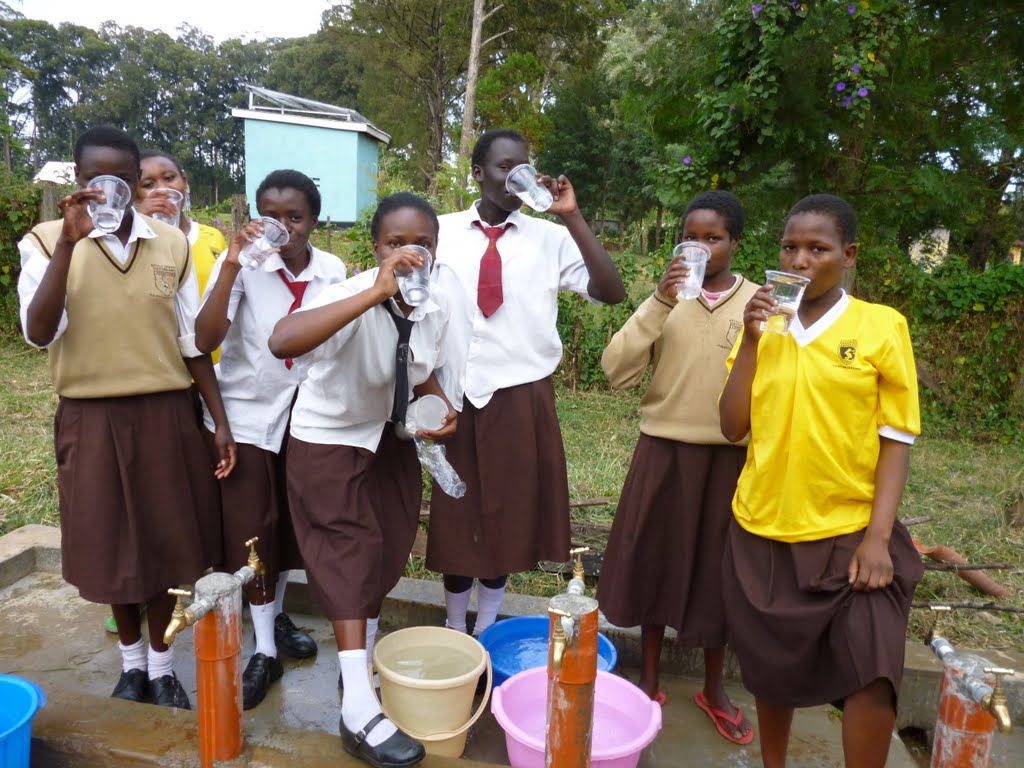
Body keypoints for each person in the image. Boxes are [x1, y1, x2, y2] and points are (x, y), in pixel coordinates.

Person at [16, 125, 236, 709]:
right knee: (112, 543)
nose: (104, 189)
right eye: (93, 179)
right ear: (79, 181)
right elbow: (39, 332)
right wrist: (69, 242)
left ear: (133, 182)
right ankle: (131, 665)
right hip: (90, 416)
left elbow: (192, 342)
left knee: (167, 541)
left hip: (165, 413)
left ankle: (163, 666)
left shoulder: (171, 244)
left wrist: (219, 422)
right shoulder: (42, 242)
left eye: (118, 178)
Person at [718, 194, 924, 768]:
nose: (801, 259)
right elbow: (733, 425)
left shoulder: (881, 327)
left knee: (873, 674)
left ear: (848, 255)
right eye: (790, 247)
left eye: (818, 248)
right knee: (771, 671)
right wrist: (753, 339)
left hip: (850, 532)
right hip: (763, 526)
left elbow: (896, 440)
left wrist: (879, 539)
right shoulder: (765, 327)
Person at [268, 192, 456, 768]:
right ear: (377, 248)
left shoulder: (437, 306)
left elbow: (420, 371)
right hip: (329, 440)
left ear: (435, 251)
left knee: (387, 551)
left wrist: (439, 405)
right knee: (349, 554)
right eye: (396, 242)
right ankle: (356, 710)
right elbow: (283, 341)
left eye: (421, 243)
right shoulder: (348, 293)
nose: (409, 253)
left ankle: (360, 673)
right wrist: (374, 292)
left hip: (390, 443)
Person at [426, 128, 626, 636]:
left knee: (507, 518)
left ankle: (488, 631)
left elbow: (610, 291)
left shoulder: (551, 238)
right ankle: (455, 631)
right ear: (477, 173)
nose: (515, 176)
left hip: (521, 396)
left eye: (523, 166)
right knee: (458, 516)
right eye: (501, 166)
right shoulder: (441, 232)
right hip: (454, 394)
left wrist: (572, 216)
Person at [598, 190, 757, 744]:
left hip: (732, 460)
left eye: (714, 237)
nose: (702, 248)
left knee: (720, 573)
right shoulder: (666, 302)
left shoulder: (760, 305)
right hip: (662, 453)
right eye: (692, 237)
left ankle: (715, 687)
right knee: (655, 561)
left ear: (735, 242)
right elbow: (615, 370)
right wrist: (660, 303)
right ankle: (648, 677)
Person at [194, 169, 346, 709]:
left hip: (309, 418)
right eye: (270, 215)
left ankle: (275, 620)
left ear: (315, 221)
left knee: (288, 529)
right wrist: (232, 264)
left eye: (295, 217)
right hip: (249, 416)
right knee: (254, 531)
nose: (282, 227)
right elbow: (204, 339)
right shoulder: (241, 268)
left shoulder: (335, 271)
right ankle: (264, 651)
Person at [135, 149, 228, 304]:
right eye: (148, 184)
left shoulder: (213, 237)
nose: (163, 189)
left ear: (184, 182)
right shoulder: (131, 243)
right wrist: (142, 223)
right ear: (137, 195)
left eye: (169, 178)